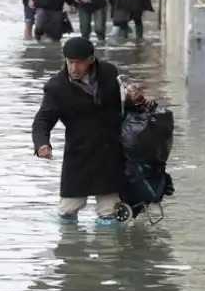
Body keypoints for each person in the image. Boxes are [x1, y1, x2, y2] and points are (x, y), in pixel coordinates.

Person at [32, 37, 146, 225]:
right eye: (70, 62)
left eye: (79, 63)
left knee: (109, 213)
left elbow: (125, 106)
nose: (74, 68)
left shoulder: (110, 73)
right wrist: (42, 143)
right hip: (79, 153)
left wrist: (134, 97)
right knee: (68, 210)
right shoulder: (57, 87)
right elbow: (43, 119)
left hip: (110, 151)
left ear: (91, 59)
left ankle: (109, 251)